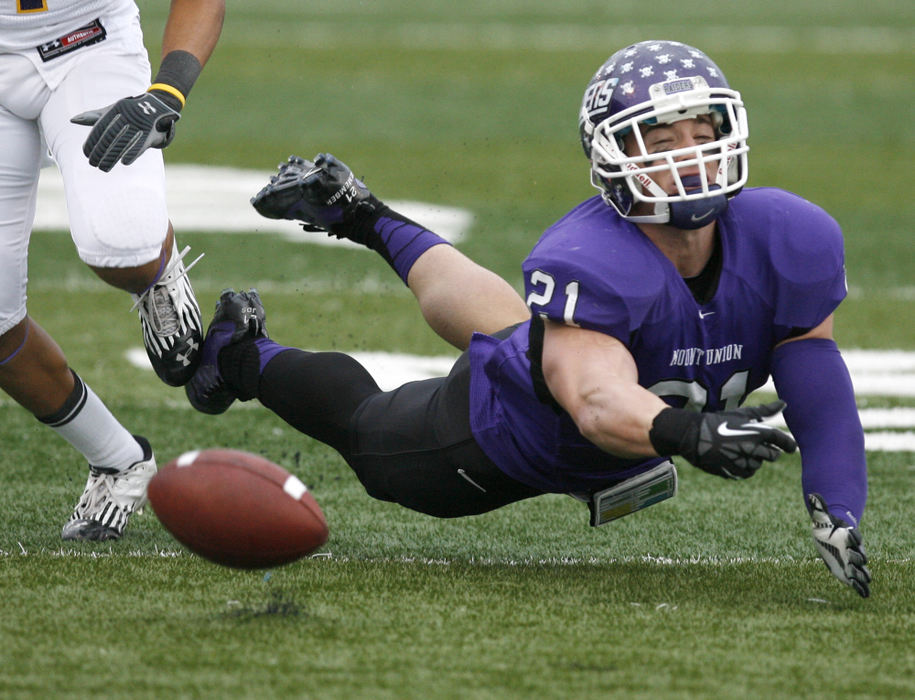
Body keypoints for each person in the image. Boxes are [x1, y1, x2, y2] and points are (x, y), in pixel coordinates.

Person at [187, 40, 870, 597]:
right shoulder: (591, 256)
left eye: (702, 133)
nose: (689, 156)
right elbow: (597, 401)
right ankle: (241, 351)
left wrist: (837, 505)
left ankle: (364, 215)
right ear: (613, 155)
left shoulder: (788, 233)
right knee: (374, 440)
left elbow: (814, 372)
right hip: (512, 432)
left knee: (517, 325)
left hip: (593, 390)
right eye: (660, 140)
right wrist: (684, 430)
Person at [0, 0, 225, 539]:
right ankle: (118, 459)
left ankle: (157, 269)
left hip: (86, 43)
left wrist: (165, 93)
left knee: (120, 243)